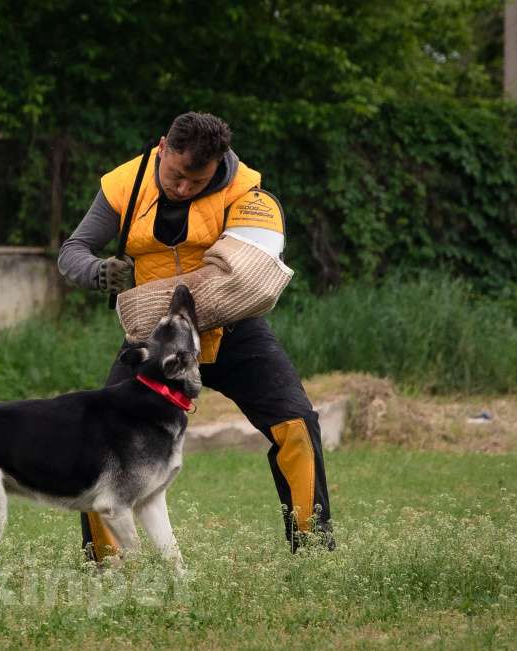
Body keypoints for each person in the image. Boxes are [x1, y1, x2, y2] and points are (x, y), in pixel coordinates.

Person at [57, 112, 334, 559]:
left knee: (297, 425)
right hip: (154, 341)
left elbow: (254, 274)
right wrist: (98, 271)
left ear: (219, 164)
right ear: (163, 146)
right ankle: (103, 564)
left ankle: (314, 549)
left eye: (198, 180)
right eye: (176, 175)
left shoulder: (247, 191)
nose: (183, 188)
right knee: (102, 441)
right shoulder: (124, 184)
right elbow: (71, 251)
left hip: (233, 333)